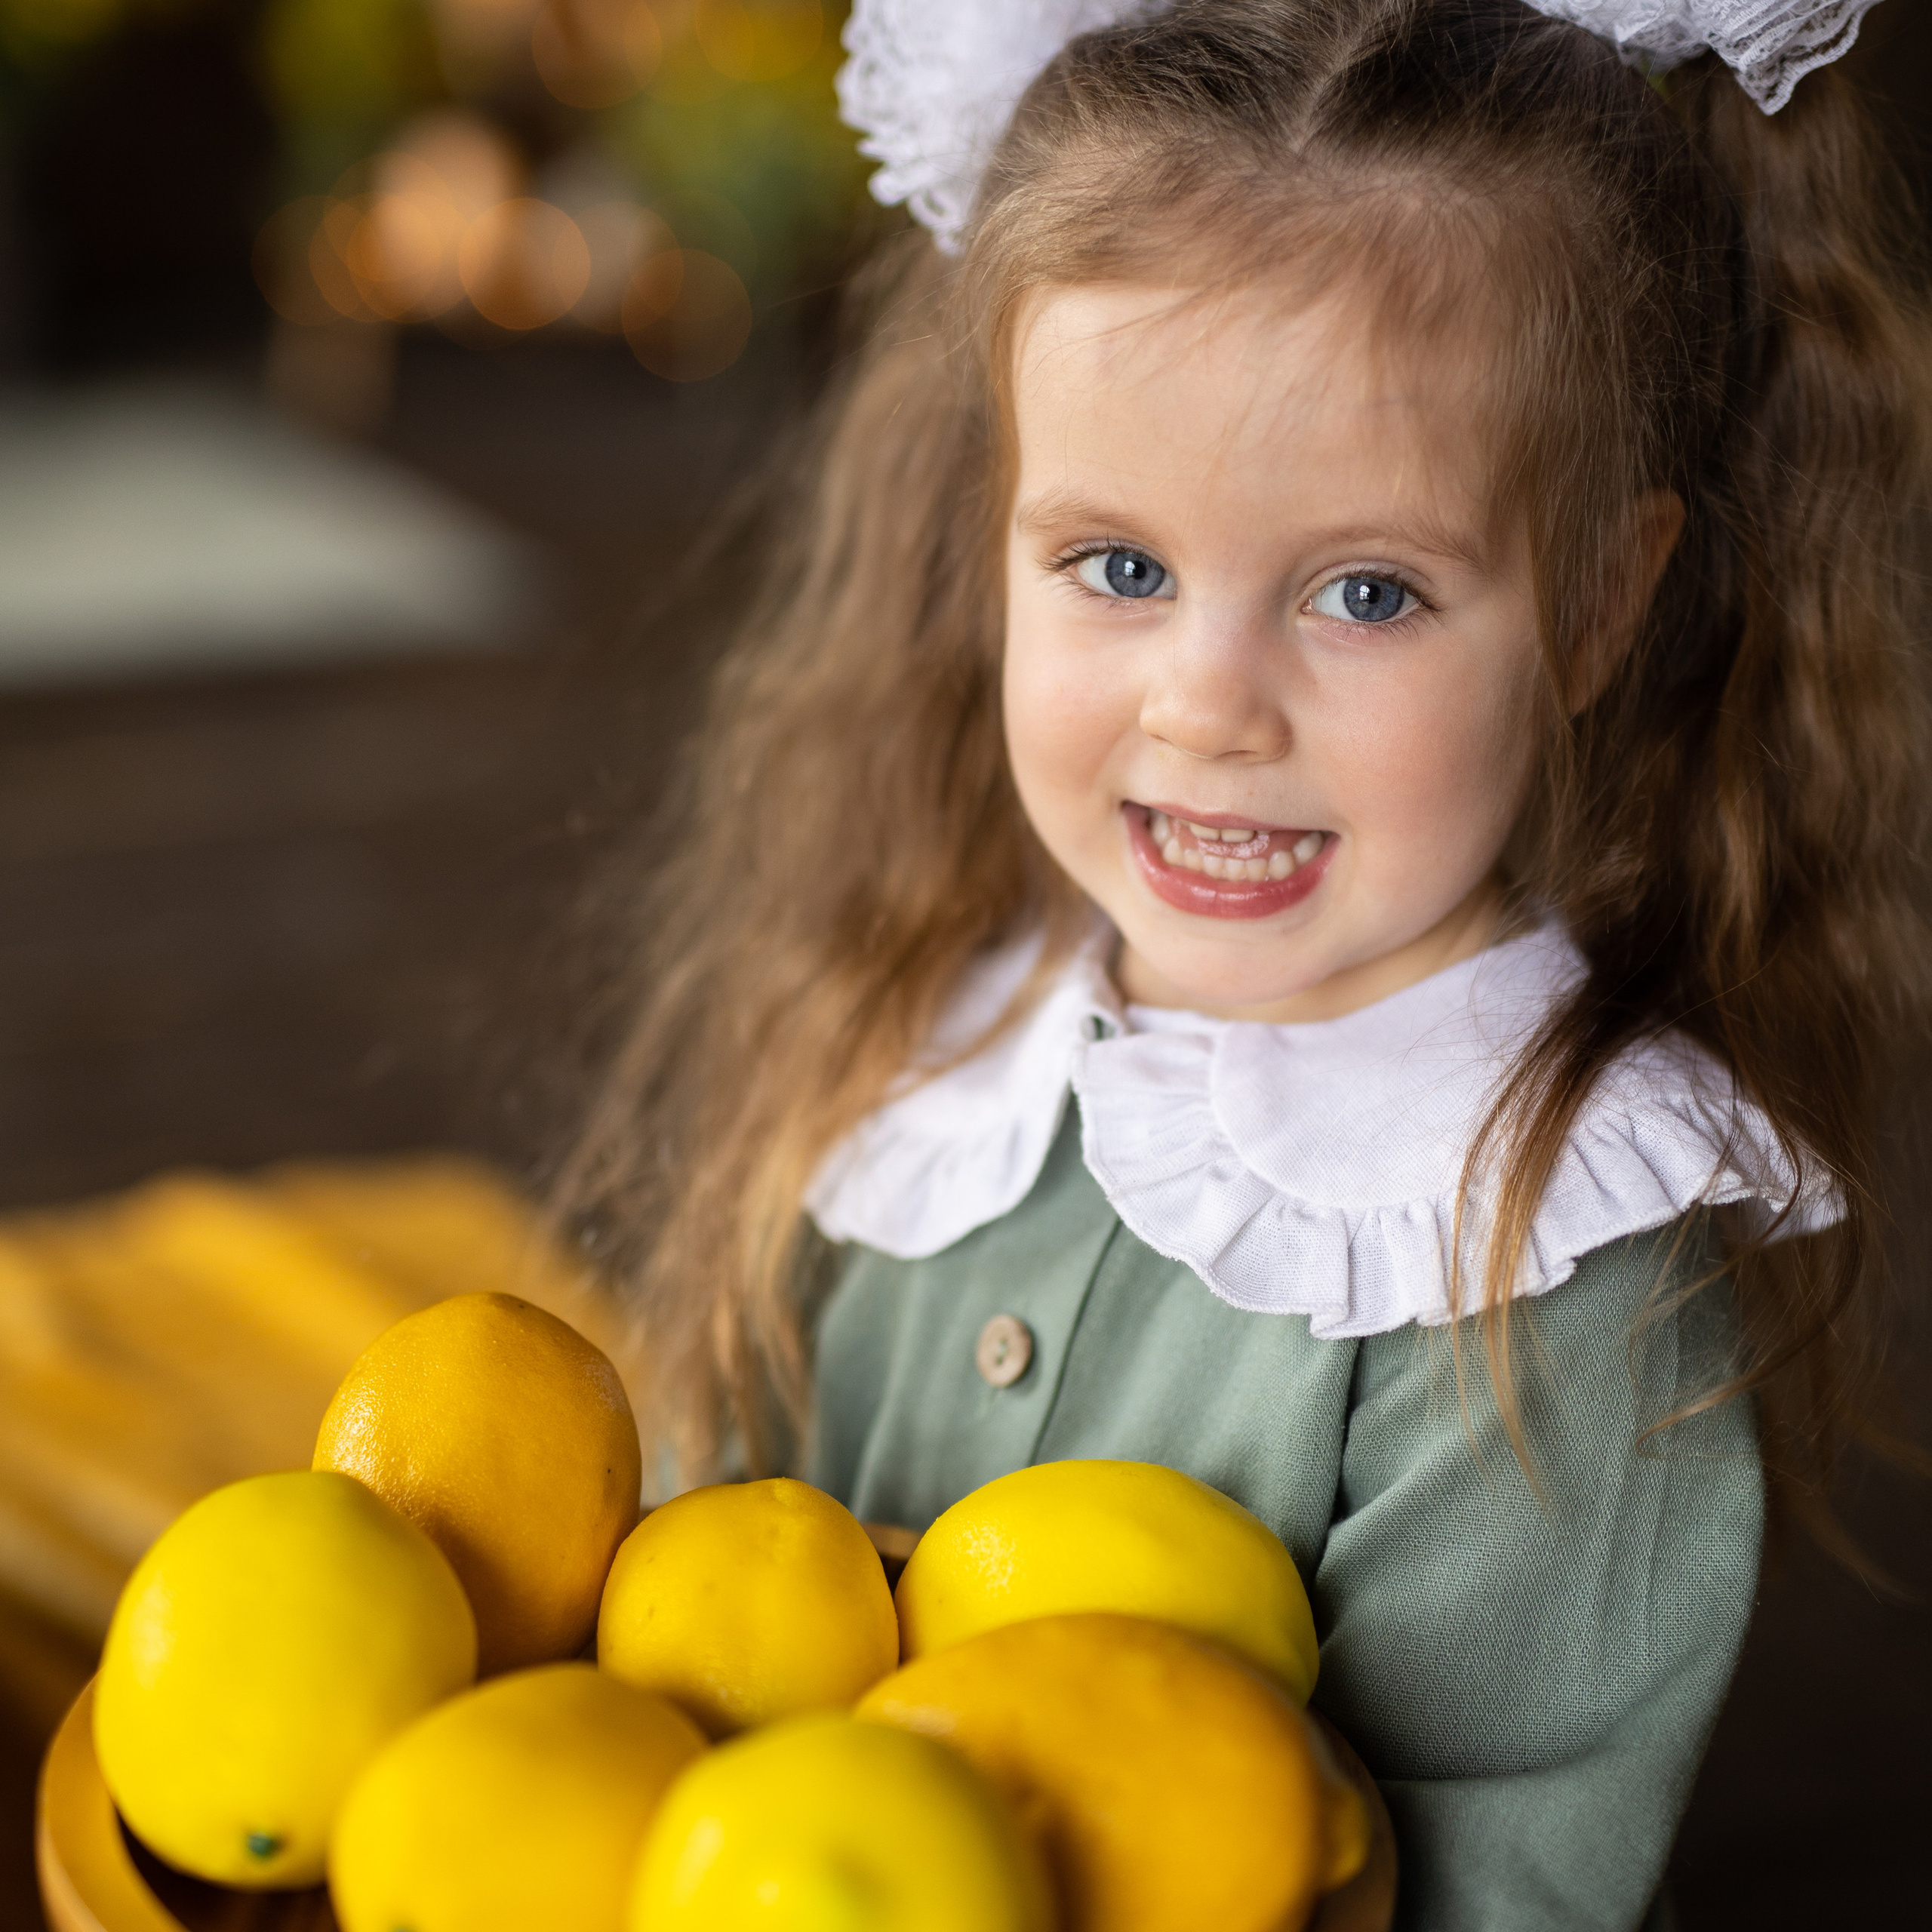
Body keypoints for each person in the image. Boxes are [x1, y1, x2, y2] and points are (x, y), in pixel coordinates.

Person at [561, 2, 1932, 1924]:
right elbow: (686, 1608)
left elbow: (1492, 1883)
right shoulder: (923, 1039)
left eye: (1364, 591)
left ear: (1597, 603)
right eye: (1116, 566)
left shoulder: (1551, 1256)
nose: (1207, 706)